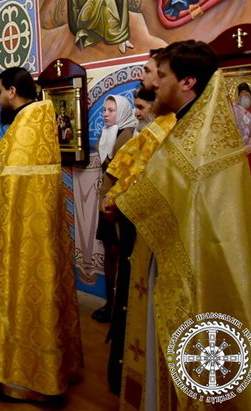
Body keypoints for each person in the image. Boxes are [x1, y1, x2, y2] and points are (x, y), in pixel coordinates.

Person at [116, 40, 251, 410]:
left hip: (190, 272)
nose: (154, 84)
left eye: (162, 75)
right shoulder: (185, 127)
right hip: (168, 260)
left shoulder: (201, 142)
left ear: (187, 82)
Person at [0, 67, 82, 402]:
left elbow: (2, 184)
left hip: (20, 238)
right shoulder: (41, 120)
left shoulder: (26, 125)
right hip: (44, 238)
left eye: (0, 92)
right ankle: (53, 372)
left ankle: (23, 380)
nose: (0, 98)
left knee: (21, 301)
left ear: (12, 91)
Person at [91, 94, 137, 324]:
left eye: (111, 110)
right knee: (109, 252)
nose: (105, 114)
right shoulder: (108, 134)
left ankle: (120, 308)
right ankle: (111, 304)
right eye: (104, 110)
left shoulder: (129, 135)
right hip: (106, 201)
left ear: (123, 111)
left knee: (120, 254)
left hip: (120, 202)